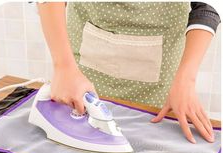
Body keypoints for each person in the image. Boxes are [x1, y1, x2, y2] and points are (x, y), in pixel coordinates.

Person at [37, 2, 220, 144]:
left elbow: (206, 6)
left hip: (159, 79)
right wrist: (63, 67)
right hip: (83, 69)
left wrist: (186, 81)